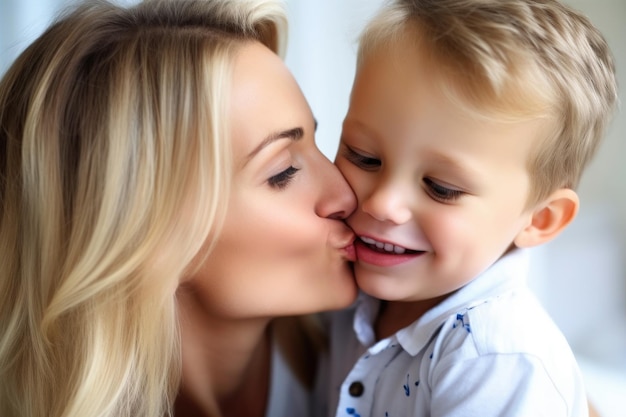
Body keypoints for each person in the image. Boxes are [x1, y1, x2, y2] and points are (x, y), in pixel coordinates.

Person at [0, 1, 359, 416]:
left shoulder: (403, 350)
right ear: (138, 233)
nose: (347, 194)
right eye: (283, 172)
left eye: (317, 141)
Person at [315, 0, 618, 416]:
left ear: (540, 219)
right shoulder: (339, 286)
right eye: (363, 156)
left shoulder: (495, 359)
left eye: (441, 188)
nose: (382, 203)